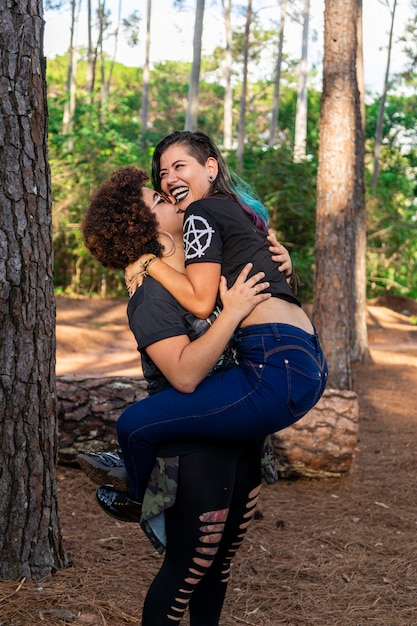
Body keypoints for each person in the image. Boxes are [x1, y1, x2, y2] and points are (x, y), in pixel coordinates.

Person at [81, 165, 292, 625]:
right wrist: (231, 314)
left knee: (219, 568)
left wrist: (282, 262)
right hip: (194, 450)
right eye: (157, 201)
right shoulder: (151, 296)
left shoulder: (203, 270)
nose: (170, 198)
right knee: (187, 570)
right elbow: (183, 375)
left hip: (242, 431)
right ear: (143, 230)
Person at [118, 131, 328, 510]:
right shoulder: (237, 209)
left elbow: (200, 303)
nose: (168, 180)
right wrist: (288, 266)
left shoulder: (201, 212)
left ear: (210, 167)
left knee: (133, 426)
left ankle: (139, 501)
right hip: (307, 355)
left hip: (273, 361)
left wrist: (148, 263)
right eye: (162, 174)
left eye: (179, 166)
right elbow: (270, 279)